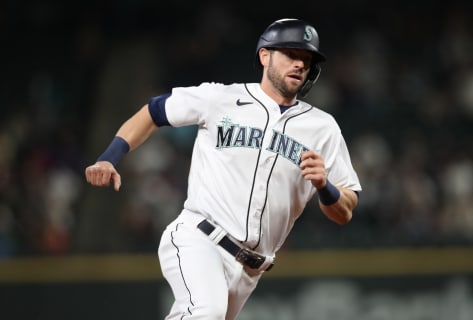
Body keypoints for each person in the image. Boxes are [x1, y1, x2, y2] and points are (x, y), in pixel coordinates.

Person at [85, 18, 362, 320]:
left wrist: (325, 187)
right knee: (206, 311)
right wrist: (109, 157)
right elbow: (154, 111)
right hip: (200, 237)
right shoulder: (222, 98)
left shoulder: (322, 128)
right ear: (265, 55)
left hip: (250, 270)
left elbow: (345, 210)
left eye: (306, 60)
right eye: (291, 55)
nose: (299, 64)